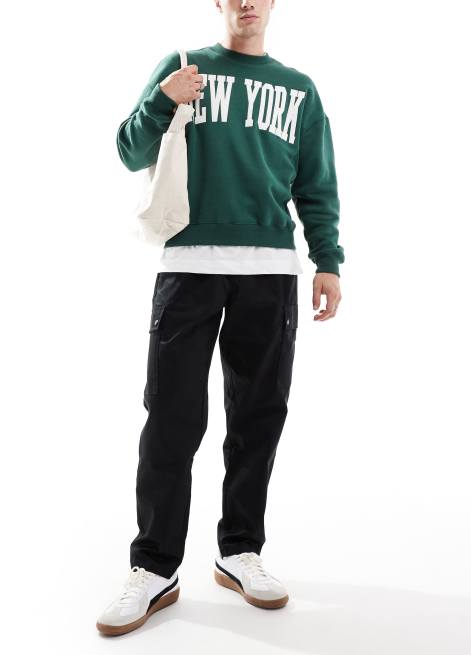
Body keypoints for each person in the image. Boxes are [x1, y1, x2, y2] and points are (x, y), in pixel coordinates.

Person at [96, 0, 344, 636]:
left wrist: (328, 260)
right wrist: (163, 100)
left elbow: (316, 182)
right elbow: (128, 152)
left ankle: (239, 551)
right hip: (189, 264)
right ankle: (154, 566)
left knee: (259, 417)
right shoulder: (183, 65)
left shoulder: (299, 88)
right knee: (171, 418)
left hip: (271, 269)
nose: (248, 3)